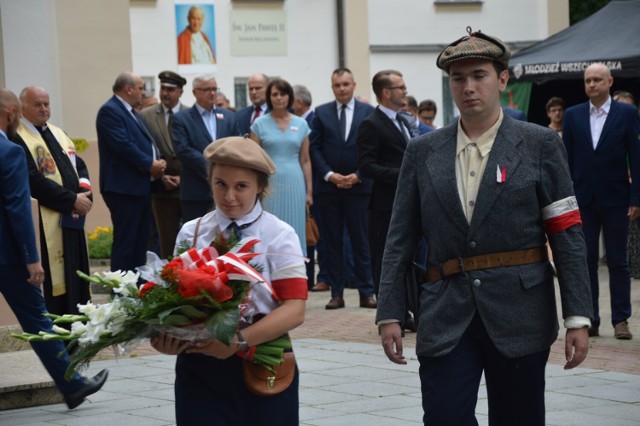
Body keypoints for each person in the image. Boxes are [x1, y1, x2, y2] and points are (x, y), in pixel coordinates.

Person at [377, 28, 593, 425]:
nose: (468, 87)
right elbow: (399, 238)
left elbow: (566, 232)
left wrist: (578, 315)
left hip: (520, 309)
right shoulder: (422, 151)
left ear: (503, 79)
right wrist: (389, 310)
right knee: (443, 416)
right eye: (458, 79)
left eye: (479, 75)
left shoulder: (540, 144)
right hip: (445, 310)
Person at [150, 136, 307, 425]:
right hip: (200, 369)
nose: (229, 196)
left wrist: (239, 341)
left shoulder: (279, 234)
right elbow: (174, 300)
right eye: (220, 184)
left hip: (261, 359)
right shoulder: (191, 232)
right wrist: (165, 336)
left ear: (260, 187)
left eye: (241, 186)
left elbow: (295, 308)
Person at [0, 88, 108, 409]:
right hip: (8, 257)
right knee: (38, 319)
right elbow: (18, 209)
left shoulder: (55, 135)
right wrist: (32, 259)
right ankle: (72, 385)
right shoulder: (9, 151)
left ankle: (73, 383)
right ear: (10, 114)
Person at [563, 63, 640, 340]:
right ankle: (590, 318)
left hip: (617, 198)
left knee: (619, 262)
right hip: (582, 198)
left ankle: (621, 320)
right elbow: (566, 160)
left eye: (597, 79)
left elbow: (636, 156)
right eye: (588, 80)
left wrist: (636, 197)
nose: (592, 84)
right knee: (585, 262)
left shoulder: (627, 113)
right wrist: (566, 197)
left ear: (610, 82)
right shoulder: (573, 116)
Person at [13, 86, 92, 315]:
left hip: (73, 219)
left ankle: (79, 330)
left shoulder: (58, 133)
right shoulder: (18, 137)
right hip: (48, 221)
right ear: (23, 107)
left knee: (77, 277)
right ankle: (61, 333)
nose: (44, 109)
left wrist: (85, 194)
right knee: (58, 282)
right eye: (37, 104)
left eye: (46, 104)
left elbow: (80, 166)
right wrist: (71, 200)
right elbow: (33, 181)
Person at [310, 67, 376, 309]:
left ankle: (366, 292)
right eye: (338, 85)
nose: (342, 89)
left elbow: (372, 148)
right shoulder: (322, 112)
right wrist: (329, 175)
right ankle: (336, 293)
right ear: (332, 87)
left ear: (354, 85)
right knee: (332, 242)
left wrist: (359, 175)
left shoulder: (368, 112)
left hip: (359, 189)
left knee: (362, 242)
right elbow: (314, 148)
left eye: (346, 84)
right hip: (330, 190)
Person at [96, 71, 166, 272]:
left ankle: (136, 289)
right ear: (129, 89)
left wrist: (158, 164)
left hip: (139, 186)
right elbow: (123, 145)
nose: (143, 93)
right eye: (141, 88)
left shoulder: (132, 112)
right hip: (123, 189)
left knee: (140, 243)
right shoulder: (110, 111)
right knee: (126, 242)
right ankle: (121, 291)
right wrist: (149, 164)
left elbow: (145, 142)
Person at [250, 78, 312, 255]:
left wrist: (309, 192)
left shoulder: (301, 124)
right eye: (274, 94)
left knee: (294, 227)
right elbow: (254, 159)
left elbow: (306, 160)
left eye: (282, 94)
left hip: (295, 182)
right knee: (268, 227)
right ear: (269, 98)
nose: (279, 98)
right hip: (269, 182)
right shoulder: (259, 124)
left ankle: (295, 274)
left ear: (290, 97)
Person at [171, 74, 238, 222]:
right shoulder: (181, 118)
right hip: (196, 191)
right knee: (198, 237)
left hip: (227, 192)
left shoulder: (229, 116)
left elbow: (236, 144)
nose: (212, 93)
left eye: (214, 89)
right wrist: (215, 167)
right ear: (195, 92)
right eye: (207, 89)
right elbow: (183, 150)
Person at [140, 71, 188, 258]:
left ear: (180, 92)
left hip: (188, 186)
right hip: (161, 186)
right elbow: (143, 148)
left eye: (171, 89)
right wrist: (160, 176)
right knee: (166, 240)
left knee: (191, 239)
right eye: (163, 88)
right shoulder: (146, 116)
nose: (166, 93)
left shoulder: (189, 114)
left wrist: (183, 177)